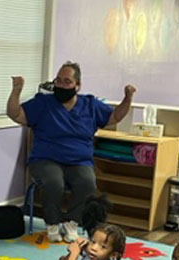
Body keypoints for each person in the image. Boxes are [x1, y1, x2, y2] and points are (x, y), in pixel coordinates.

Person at [7, 61, 136, 243]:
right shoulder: (44, 102)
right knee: (54, 182)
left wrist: (128, 98)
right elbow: (16, 114)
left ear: (78, 85)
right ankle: (52, 224)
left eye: (67, 81)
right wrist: (16, 91)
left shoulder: (90, 104)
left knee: (87, 181)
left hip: (79, 161)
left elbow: (114, 116)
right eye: (58, 81)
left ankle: (72, 224)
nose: (61, 85)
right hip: (45, 159)